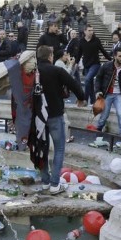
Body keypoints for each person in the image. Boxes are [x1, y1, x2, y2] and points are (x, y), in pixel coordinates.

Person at [34, 45, 85, 194]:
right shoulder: (57, 70)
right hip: (55, 114)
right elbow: (74, 83)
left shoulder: (33, 72)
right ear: (50, 56)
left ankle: (45, 181)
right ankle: (55, 184)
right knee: (59, 148)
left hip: (38, 118)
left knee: (41, 149)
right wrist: (81, 98)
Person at [94, 47, 121, 137]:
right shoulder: (106, 66)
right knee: (104, 115)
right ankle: (99, 129)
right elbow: (98, 78)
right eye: (120, 56)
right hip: (107, 94)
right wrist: (97, 91)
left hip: (119, 95)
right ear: (114, 56)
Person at [75, 25, 111, 105]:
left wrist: (111, 60)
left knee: (87, 79)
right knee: (89, 83)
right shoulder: (81, 41)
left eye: (92, 30)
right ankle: (93, 101)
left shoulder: (96, 40)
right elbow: (79, 54)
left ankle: (84, 100)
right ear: (85, 31)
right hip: (86, 65)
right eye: (89, 30)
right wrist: (76, 63)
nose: (91, 32)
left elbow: (103, 50)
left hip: (95, 64)